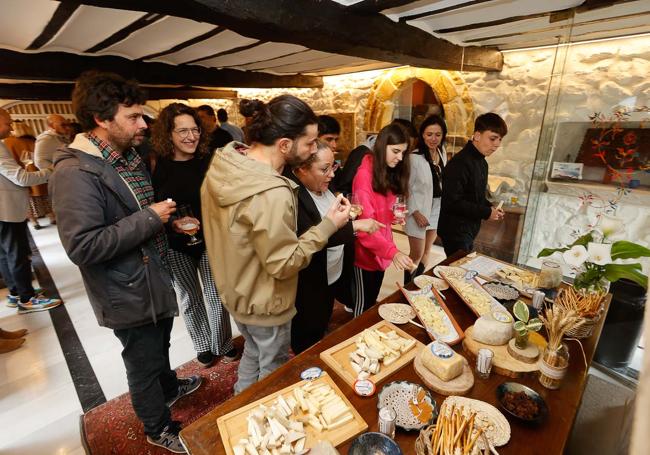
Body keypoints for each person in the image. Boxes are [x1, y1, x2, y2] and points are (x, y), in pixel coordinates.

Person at [50, 71, 200, 454]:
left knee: (160, 343)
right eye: (133, 117)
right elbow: (83, 245)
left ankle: (168, 388)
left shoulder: (130, 155)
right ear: (102, 119)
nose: (144, 124)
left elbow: (137, 219)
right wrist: (151, 218)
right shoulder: (75, 172)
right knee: (142, 358)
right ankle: (156, 425)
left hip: (153, 277)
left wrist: (168, 226)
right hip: (126, 289)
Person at [201, 95, 351, 393]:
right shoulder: (272, 191)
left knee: (254, 354)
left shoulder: (226, 161)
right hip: (266, 301)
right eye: (309, 143)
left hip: (236, 291)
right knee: (272, 375)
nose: (314, 150)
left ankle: (239, 404)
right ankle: (257, 426)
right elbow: (284, 263)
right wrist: (328, 225)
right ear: (284, 144)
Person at [151, 103, 237, 368]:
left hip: (210, 239)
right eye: (182, 131)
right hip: (176, 244)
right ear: (169, 135)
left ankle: (223, 343)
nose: (191, 136)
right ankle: (202, 346)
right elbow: (152, 207)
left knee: (215, 294)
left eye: (195, 130)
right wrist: (173, 225)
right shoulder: (157, 166)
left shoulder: (207, 160)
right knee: (190, 297)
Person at [286, 140, 383, 354]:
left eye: (334, 166)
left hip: (331, 274)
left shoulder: (325, 188)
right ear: (301, 169)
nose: (331, 174)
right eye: (324, 168)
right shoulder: (293, 197)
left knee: (321, 319)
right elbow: (310, 238)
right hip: (309, 281)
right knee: (306, 335)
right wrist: (355, 226)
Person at [0, 108, 60, 313]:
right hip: (5, 209)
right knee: (17, 254)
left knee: (4, 254)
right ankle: (27, 298)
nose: (11, 126)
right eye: (7, 122)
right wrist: (52, 171)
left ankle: (16, 292)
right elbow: (21, 178)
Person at [351, 123, 415, 317]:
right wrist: (393, 252)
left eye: (403, 152)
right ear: (382, 146)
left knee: (370, 305)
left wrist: (391, 216)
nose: (400, 158)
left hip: (380, 253)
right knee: (362, 311)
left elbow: (378, 217)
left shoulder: (385, 171)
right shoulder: (364, 176)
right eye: (395, 151)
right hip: (364, 256)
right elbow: (364, 228)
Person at [438, 113, 507, 257]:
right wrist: (487, 213)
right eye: (493, 138)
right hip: (455, 231)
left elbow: (475, 196)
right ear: (477, 135)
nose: (497, 145)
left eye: (500, 139)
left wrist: (490, 207)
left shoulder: (482, 162)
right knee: (455, 273)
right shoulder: (460, 162)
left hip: (469, 229)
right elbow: (452, 202)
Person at [404, 115, 448, 282]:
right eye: (429, 134)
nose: (433, 138)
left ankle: (417, 285)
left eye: (438, 134)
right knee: (416, 254)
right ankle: (406, 289)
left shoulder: (441, 152)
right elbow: (406, 188)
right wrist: (415, 212)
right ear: (422, 134)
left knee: (427, 251)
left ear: (443, 135)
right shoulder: (414, 157)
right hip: (419, 209)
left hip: (437, 207)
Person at [3, 121, 55, 229]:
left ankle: (34, 222)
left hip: (22, 174)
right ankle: (52, 217)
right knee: (45, 196)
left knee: (29, 200)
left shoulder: (8, 142)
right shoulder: (34, 140)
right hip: (38, 173)